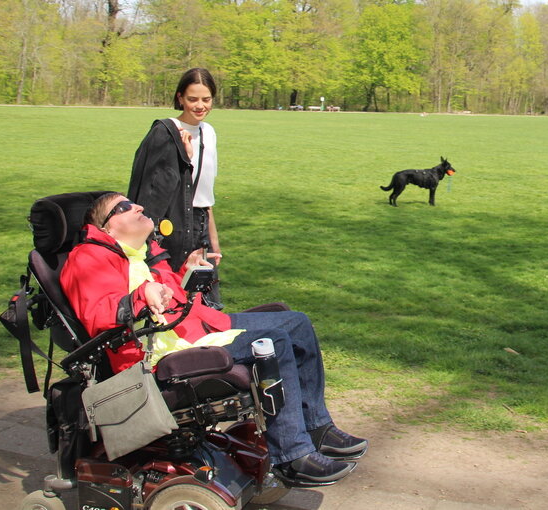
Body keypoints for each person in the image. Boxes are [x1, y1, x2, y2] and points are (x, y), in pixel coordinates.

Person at [60, 192, 367, 486]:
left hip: (193, 327)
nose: (138, 206)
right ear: (106, 226)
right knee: (274, 342)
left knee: (296, 323)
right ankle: (293, 455)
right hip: (157, 355)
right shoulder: (88, 257)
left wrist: (189, 269)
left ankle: (317, 428)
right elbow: (98, 312)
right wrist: (141, 295)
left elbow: (173, 298)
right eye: (124, 206)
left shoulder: (144, 252)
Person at [128, 68, 223, 308]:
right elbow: (153, 191)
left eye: (206, 99)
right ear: (180, 97)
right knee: (174, 298)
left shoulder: (209, 133)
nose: (200, 105)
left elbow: (205, 195)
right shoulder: (166, 132)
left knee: (205, 301)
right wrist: (184, 159)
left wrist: (213, 241)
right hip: (173, 227)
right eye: (192, 99)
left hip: (200, 224)